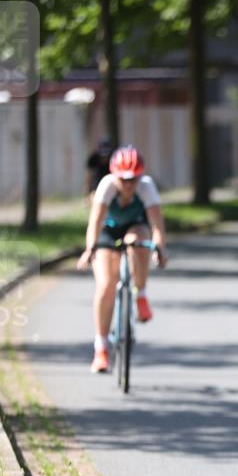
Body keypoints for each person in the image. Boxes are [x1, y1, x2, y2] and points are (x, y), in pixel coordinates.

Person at [76, 145, 168, 373]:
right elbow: (95, 223)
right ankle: (101, 349)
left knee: (139, 241)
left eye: (133, 180)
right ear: (114, 175)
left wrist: (160, 249)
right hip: (108, 230)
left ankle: (141, 294)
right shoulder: (106, 186)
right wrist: (90, 249)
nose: (128, 185)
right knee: (106, 285)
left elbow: (157, 225)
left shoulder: (147, 188)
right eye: (123, 180)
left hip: (135, 226)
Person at [85, 137, 114, 201]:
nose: (104, 158)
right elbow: (88, 176)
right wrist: (87, 193)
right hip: (96, 186)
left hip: (111, 186)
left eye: (106, 155)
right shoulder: (93, 159)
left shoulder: (115, 159)